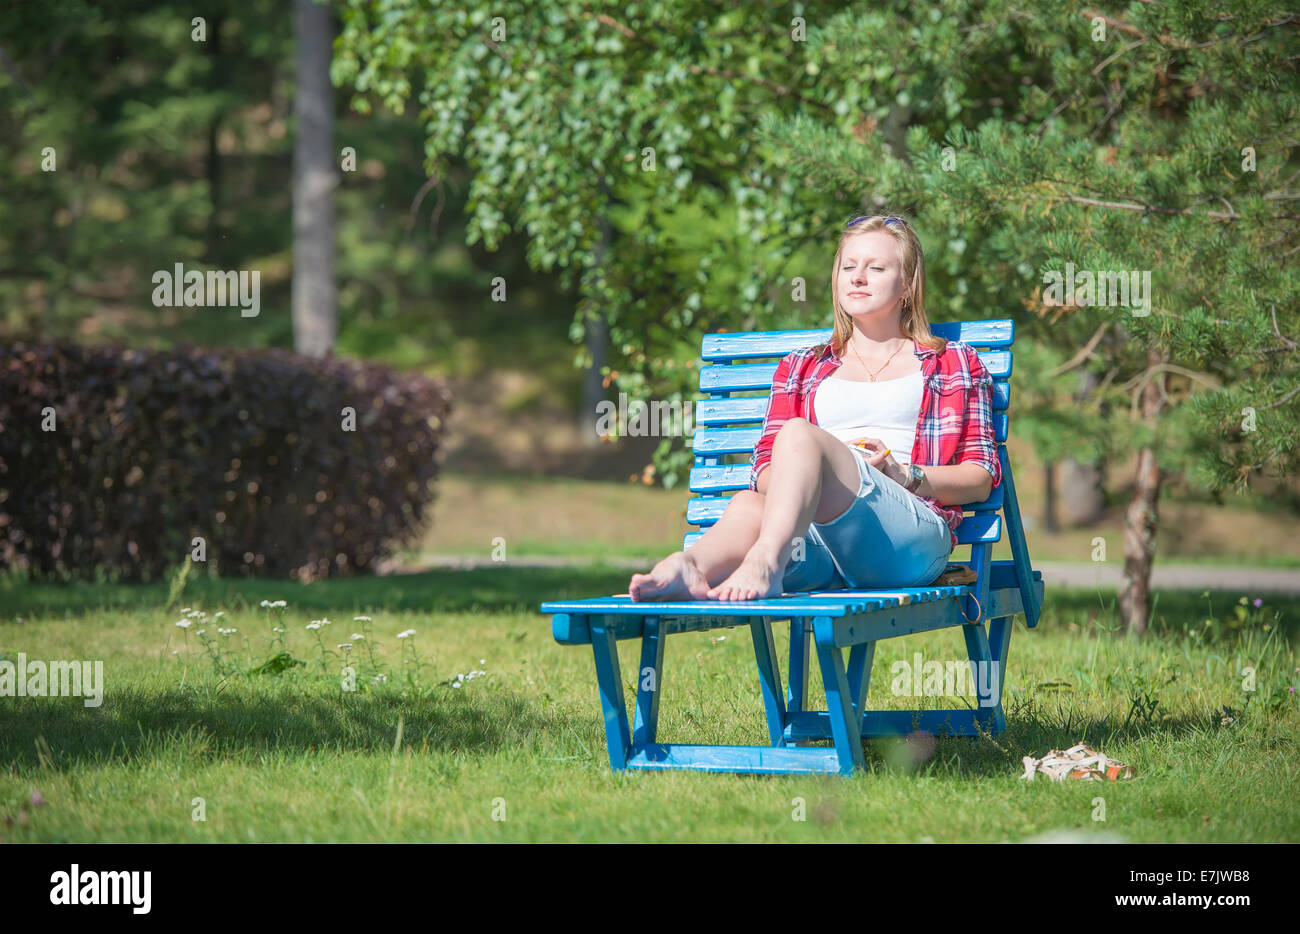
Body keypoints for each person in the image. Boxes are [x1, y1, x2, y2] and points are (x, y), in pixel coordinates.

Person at [629, 214, 1002, 602]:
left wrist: (903, 473)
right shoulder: (801, 367)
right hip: (819, 544)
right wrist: (815, 478)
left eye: (875, 267)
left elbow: (979, 479)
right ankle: (690, 565)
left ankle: (764, 564)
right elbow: (763, 474)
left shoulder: (954, 363)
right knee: (747, 502)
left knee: (799, 435)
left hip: (907, 539)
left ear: (907, 285)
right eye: (848, 267)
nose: (858, 277)